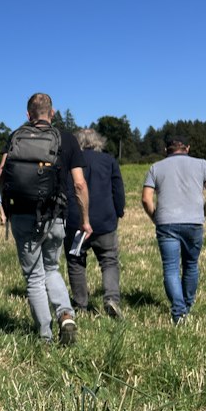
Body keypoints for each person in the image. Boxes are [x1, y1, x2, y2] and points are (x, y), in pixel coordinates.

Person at [0, 93, 92, 345]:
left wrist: (5, 206)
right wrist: (85, 219)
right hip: (56, 216)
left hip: (23, 215)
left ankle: (45, 336)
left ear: (28, 115)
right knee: (51, 269)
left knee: (34, 277)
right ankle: (66, 315)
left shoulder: (16, 136)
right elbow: (80, 184)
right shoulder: (67, 140)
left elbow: (1, 172)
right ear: (52, 113)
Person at [141, 133, 206, 324]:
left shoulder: (155, 168)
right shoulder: (202, 164)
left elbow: (146, 199)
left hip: (166, 223)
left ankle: (179, 312)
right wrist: (203, 212)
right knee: (191, 265)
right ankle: (188, 305)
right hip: (194, 221)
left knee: (170, 268)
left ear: (165, 150)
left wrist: (155, 217)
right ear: (188, 148)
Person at [64, 129, 125, 318]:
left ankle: (80, 304)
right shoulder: (108, 161)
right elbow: (118, 189)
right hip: (105, 220)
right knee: (109, 260)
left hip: (75, 221)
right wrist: (119, 211)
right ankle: (112, 299)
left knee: (76, 261)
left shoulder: (68, 161)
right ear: (99, 142)